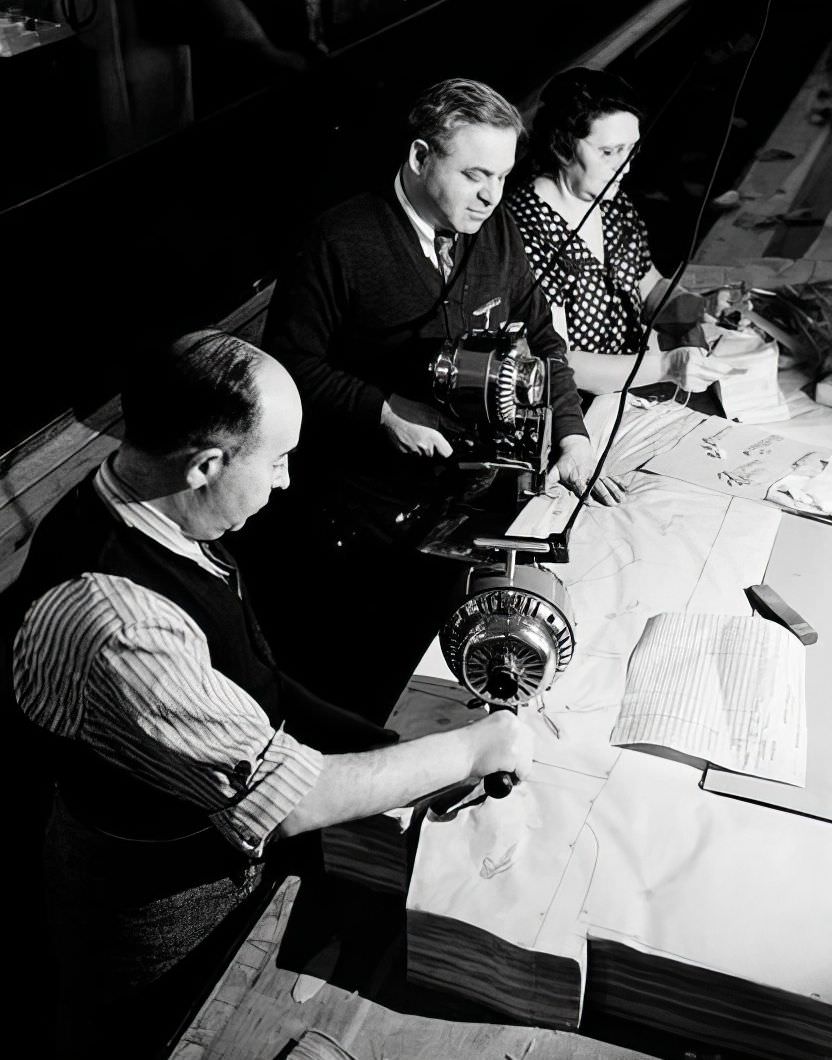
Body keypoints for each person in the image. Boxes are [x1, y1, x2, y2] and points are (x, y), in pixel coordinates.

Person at [9, 330, 533, 1060]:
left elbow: (260, 686)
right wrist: (474, 747)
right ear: (206, 465)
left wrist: (393, 752)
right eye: (278, 459)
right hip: (153, 910)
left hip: (210, 857)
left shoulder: (149, 503)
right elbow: (292, 800)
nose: (286, 481)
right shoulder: (119, 626)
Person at [238, 77, 619, 724]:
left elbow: (544, 340)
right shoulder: (341, 240)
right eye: (474, 174)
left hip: (460, 512)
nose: (493, 195)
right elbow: (288, 368)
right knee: (360, 694)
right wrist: (384, 408)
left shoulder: (493, 229)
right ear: (419, 158)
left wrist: (573, 432)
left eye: (502, 175)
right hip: (360, 529)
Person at [506, 67, 739, 397]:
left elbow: (649, 287)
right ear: (561, 145)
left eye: (631, 149)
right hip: (575, 412)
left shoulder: (611, 202)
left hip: (630, 393)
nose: (625, 166)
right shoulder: (525, 229)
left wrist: (700, 307)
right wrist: (666, 367)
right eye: (609, 152)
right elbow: (555, 361)